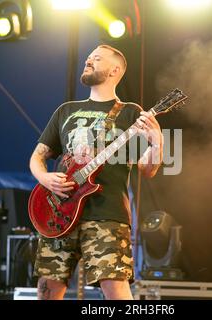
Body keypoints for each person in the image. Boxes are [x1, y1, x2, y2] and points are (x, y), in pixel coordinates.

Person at [29, 44, 163, 300]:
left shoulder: (130, 113)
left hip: (107, 214)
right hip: (59, 213)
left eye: (96, 58)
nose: (88, 61)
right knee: (48, 290)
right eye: (88, 58)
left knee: (115, 289)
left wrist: (158, 142)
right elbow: (37, 157)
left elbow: (148, 170)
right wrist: (45, 178)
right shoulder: (66, 110)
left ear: (114, 70)